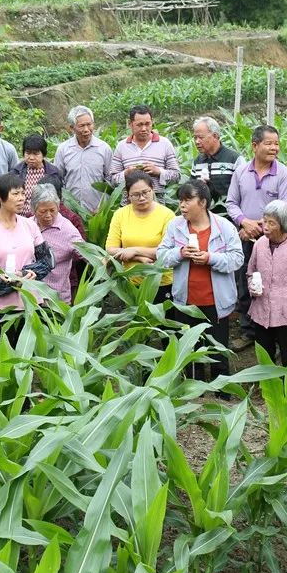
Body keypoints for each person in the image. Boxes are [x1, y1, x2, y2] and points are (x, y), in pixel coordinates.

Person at [157, 179, 244, 381]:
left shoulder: (224, 227)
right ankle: (193, 394)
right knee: (188, 352)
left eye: (188, 200)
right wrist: (180, 253)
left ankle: (222, 397)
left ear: (203, 202)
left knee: (217, 350)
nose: (182, 205)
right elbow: (161, 256)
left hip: (216, 303)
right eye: (180, 200)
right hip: (185, 303)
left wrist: (210, 258)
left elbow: (237, 259)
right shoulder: (175, 226)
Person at [226, 125, 287, 349]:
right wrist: (244, 222)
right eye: (269, 143)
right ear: (255, 145)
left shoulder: (284, 174)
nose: (274, 148)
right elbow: (231, 203)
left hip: (274, 241)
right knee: (246, 282)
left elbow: (284, 209)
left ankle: (273, 332)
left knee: (272, 284)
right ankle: (249, 331)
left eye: (277, 143)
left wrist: (260, 227)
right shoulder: (241, 172)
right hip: (246, 236)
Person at [0, 174, 53, 327]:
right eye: (15, 194)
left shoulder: (30, 225)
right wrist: (8, 282)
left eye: (22, 193)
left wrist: (24, 274)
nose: (21, 198)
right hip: (1, 309)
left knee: (32, 349)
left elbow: (46, 260)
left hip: (32, 302)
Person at [246, 200, 287, 366]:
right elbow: (250, 272)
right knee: (265, 358)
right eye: (265, 220)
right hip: (262, 313)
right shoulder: (259, 244)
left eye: (271, 223)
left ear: (283, 225)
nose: (265, 226)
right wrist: (252, 287)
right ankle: (268, 390)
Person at [106, 170, 175, 301]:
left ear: (153, 189)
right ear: (128, 195)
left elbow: (168, 252)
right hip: (131, 282)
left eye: (145, 192)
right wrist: (139, 258)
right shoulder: (120, 214)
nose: (142, 198)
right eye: (136, 195)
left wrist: (134, 250)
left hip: (161, 281)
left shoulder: (167, 215)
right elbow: (110, 249)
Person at [109, 104, 181, 198]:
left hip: (157, 206)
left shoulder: (165, 144)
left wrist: (158, 171)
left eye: (147, 124)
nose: (144, 129)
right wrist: (126, 173)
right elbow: (112, 181)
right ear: (130, 124)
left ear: (152, 122)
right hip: (129, 206)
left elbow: (177, 177)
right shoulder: (121, 146)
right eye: (139, 125)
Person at [54, 105, 113, 213]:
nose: (86, 130)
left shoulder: (104, 149)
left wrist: (103, 206)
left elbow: (110, 180)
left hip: (97, 212)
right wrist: (63, 205)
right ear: (72, 128)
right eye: (81, 126)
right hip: (70, 212)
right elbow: (58, 180)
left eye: (89, 124)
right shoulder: (63, 150)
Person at [32, 183, 83, 304]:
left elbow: (86, 252)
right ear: (33, 209)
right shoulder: (27, 226)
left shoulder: (67, 230)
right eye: (43, 211)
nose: (48, 215)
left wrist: (100, 260)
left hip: (57, 302)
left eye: (52, 210)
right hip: (30, 300)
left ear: (58, 207)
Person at [191, 116, 244, 202]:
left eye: (201, 137)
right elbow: (192, 188)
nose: (197, 141)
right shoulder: (197, 162)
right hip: (205, 214)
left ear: (215, 136)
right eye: (195, 138)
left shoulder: (234, 159)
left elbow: (244, 189)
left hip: (229, 213)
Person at [11, 134, 62, 216]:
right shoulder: (16, 173)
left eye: (35, 154)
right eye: (28, 153)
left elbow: (58, 200)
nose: (31, 157)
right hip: (21, 220)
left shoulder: (54, 173)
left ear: (44, 154)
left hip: (45, 219)